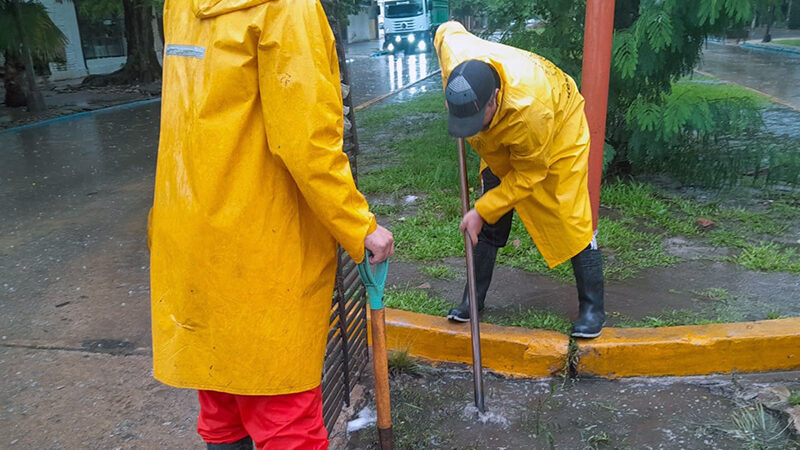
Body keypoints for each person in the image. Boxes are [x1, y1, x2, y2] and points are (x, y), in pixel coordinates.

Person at [148, 0, 394, 448]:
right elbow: (306, 142)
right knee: (285, 419)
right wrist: (360, 225)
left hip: (189, 240)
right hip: (262, 250)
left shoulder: (180, 4)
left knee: (223, 403)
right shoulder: (287, 8)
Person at [434, 21, 605, 339]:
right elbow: (447, 29)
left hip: (558, 125)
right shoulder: (455, 58)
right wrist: (486, 210)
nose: (470, 128)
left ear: (494, 99)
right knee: (490, 210)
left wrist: (481, 209)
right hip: (504, 135)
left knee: (570, 214)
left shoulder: (531, 112)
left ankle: (593, 309)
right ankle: (473, 299)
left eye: (475, 120)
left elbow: (530, 173)